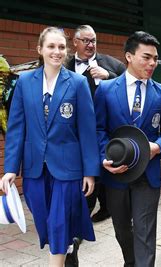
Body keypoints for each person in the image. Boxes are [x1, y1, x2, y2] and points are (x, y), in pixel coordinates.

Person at [0, 26, 99, 266]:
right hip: (34, 167)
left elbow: (87, 131)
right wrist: (10, 169)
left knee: (58, 221)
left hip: (68, 166)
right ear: (40, 49)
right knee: (43, 219)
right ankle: (66, 244)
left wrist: (90, 172)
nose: (57, 52)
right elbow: (16, 128)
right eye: (51, 46)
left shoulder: (77, 83)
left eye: (61, 47)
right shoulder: (24, 82)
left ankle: (58, 255)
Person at [94, 31, 161, 266]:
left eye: (155, 58)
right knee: (122, 229)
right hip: (116, 174)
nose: (152, 63)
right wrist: (104, 158)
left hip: (148, 175)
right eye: (146, 57)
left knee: (145, 231)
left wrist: (158, 146)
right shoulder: (106, 89)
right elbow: (98, 129)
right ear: (129, 56)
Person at [65, 25, 126, 224]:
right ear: (75, 42)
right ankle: (83, 214)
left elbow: (128, 84)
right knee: (84, 171)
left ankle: (104, 208)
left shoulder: (112, 64)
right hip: (74, 130)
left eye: (93, 41)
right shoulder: (64, 65)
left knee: (102, 169)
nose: (91, 45)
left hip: (103, 129)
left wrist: (109, 76)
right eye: (86, 41)